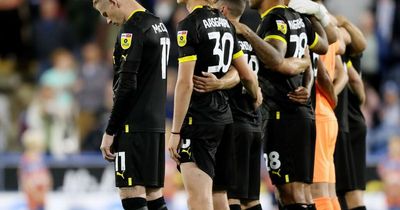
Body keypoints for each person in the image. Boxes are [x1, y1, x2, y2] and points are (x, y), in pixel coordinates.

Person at [231, 0, 328, 208]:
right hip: (301, 114)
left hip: (282, 114)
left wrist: (247, 33)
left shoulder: (274, 19)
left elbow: (275, 59)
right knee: (302, 193)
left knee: (290, 193)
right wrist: (315, 14)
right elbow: (323, 46)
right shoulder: (299, 19)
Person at [167, 0, 261, 209]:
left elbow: (184, 83)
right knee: (220, 197)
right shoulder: (225, 24)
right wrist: (256, 95)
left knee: (199, 199)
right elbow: (247, 74)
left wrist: (175, 132)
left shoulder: (189, 25)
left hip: (199, 120)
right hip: (225, 119)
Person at [93, 0, 170, 209]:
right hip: (154, 126)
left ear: (114, 2)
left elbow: (127, 85)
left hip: (133, 126)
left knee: (131, 194)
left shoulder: (133, 29)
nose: (108, 20)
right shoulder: (158, 24)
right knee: (154, 196)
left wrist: (110, 131)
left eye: (105, 13)